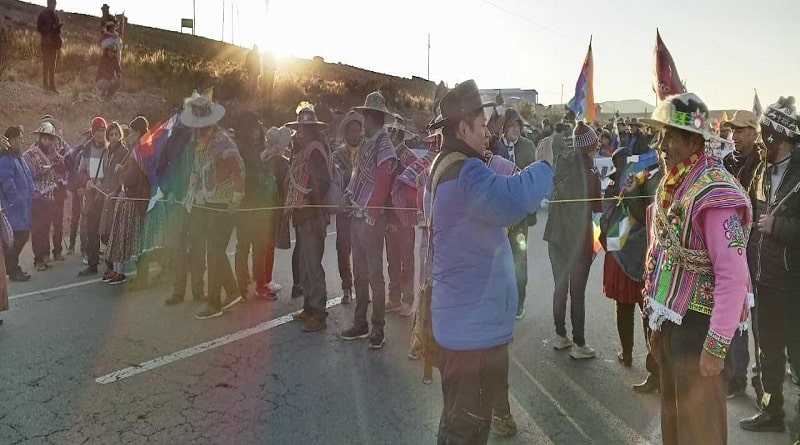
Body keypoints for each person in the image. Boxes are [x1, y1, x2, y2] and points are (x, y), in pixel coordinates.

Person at [426, 79, 553, 444]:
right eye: (481, 127)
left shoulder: (444, 166)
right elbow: (511, 199)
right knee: (467, 426)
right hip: (472, 334)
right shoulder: (466, 172)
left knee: (455, 421)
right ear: (462, 127)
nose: (486, 134)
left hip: (458, 323)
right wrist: (543, 165)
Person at [639, 92, 752, 444]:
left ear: (693, 140)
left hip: (701, 330)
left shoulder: (715, 192)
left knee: (700, 431)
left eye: (670, 135)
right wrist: (657, 327)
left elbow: (734, 276)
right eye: (661, 135)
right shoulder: (679, 182)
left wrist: (716, 346)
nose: (662, 145)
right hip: (675, 324)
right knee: (675, 424)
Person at [739, 97, 800, 440]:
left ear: (781, 137)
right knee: (769, 352)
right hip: (763, 279)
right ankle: (771, 411)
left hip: (794, 284)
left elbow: (780, 223)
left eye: (766, 136)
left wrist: (780, 227)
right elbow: (747, 210)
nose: (761, 142)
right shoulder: (761, 170)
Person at [177, 92, 245, 320]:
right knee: (214, 251)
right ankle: (233, 291)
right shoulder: (201, 142)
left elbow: (238, 168)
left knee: (214, 252)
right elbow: (198, 172)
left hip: (223, 205)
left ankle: (214, 302)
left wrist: (236, 197)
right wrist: (190, 195)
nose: (197, 128)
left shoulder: (222, 141)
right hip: (207, 203)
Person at [340, 91, 398, 349]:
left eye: (366, 116)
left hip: (371, 221)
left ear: (375, 118)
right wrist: (349, 194)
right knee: (360, 272)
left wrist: (372, 215)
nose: (363, 122)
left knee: (375, 275)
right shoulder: (364, 143)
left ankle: (378, 327)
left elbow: (383, 183)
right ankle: (360, 322)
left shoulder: (384, 145)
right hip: (357, 215)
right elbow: (356, 175)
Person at [544, 121, 602, 359]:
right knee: (577, 293)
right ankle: (579, 344)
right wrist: (597, 246)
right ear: (590, 148)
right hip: (579, 242)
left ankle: (561, 336)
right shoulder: (592, 177)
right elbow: (597, 215)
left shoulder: (560, 165)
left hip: (556, 237)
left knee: (560, 288)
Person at [600, 147, 661, 369]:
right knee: (641, 309)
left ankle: (648, 360)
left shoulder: (648, 181)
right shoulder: (641, 178)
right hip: (629, 249)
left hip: (632, 250)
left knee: (637, 309)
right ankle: (640, 357)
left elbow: (639, 215)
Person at [720, 110, 766, 401]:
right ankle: (735, 378)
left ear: (754, 133)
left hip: (756, 252)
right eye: (732, 131)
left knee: (759, 322)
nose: (735, 136)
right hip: (729, 251)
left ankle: (764, 384)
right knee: (733, 316)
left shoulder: (762, 166)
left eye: (740, 131)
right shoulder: (725, 163)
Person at [284, 106, 331, 332]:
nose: (300, 132)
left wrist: (311, 199)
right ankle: (309, 308)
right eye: (299, 128)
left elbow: (322, 182)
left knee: (312, 265)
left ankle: (319, 313)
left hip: (312, 215)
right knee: (304, 264)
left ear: (311, 129)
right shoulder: (303, 151)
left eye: (304, 128)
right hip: (303, 215)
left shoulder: (315, 151)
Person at [492, 108, 538, 319]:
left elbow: (535, 178)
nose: (515, 130)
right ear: (504, 128)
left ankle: (520, 301)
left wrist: (532, 205)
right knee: (500, 258)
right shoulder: (496, 147)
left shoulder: (528, 147)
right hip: (500, 214)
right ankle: (503, 299)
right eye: (511, 126)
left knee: (519, 257)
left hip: (520, 214)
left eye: (518, 127)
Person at [233, 113, 281, 301]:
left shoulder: (258, 147)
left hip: (258, 205)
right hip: (247, 204)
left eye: (256, 128)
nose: (255, 132)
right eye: (252, 128)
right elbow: (241, 173)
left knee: (256, 247)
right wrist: (259, 177)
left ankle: (256, 283)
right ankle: (247, 285)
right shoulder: (240, 150)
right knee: (245, 246)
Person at [77, 122, 126, 277]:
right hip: (91, 195)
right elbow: (81, 171)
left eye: (103, 130)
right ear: (92, 132)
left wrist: (102, 183)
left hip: (104, 196)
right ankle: (92, 263)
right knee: (91, 230)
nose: (100, 133)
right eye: (97, 130)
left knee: (106, 230)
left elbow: (111, 173)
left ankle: (110, 264)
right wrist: (87, 181)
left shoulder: (109, 149)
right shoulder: (86, 149)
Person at [384, 117, 418, 315]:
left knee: (406, 259)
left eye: (393, 131)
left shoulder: (410, 158)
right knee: (392, 259)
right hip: (389, 215)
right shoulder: (387, 157)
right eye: (389, 131)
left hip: (404, 216)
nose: (391, 134)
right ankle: (394, 297)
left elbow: (413, 188)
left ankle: (407, 298)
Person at [331, 111, 363, 304]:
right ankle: (346, 287)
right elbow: (335, 177)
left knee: (362, 251)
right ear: (346, 132)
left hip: (361, 210)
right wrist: (350, 174)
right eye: (352, 130)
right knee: (343, 249)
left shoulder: (367, 152)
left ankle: (361, 289)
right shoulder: (338, 153)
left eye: (358, 130)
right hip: (344, 210)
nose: (355, 133)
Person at [23, 121, 64, 272]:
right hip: (36, 196)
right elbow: (30, 173)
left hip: (50, 196)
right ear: (40, 138)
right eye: (44, 138)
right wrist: (44, 169)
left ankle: (45, 254)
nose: (47, 141)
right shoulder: (30, 154)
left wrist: (57, 162)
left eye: (49, 138)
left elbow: (61, 170)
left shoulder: (53, 154)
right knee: (37, 229)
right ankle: (38, 259)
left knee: (46, 228)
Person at [0, 127, 34, 282]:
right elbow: (7, 184)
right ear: (12, 141)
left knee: (23, 235)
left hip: (24, 207)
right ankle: (12, 269)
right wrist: (17, 202)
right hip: (14, 208)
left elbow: (27, 177)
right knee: (18, 238)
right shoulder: (6, 160)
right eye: (20, 138)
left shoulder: (18, 158)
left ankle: (13, 267)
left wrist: (33, 191)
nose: (22, 141)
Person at [37, 0, 62, 93]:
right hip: (46, 42)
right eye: (53, 4)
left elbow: (57, 30)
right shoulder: (43, 14)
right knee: (46, 64)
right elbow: (39, 28)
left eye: (55, 4)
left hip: (54, 43)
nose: (54, 6)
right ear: (49, 4)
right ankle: (45, 85)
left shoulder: (56, 15)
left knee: (52, 65)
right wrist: (50, 28)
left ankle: (52, 86)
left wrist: (58, 28)